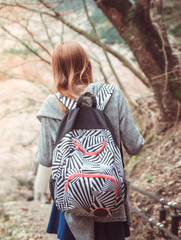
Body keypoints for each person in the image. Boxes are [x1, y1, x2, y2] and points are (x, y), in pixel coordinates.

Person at [36, 40, 144, 240]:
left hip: (72, 202)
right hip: (110, 199)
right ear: (87, 63)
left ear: (56, 69)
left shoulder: (52, 104)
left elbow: (45, 158)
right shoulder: (113, 95)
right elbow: (135, 146)